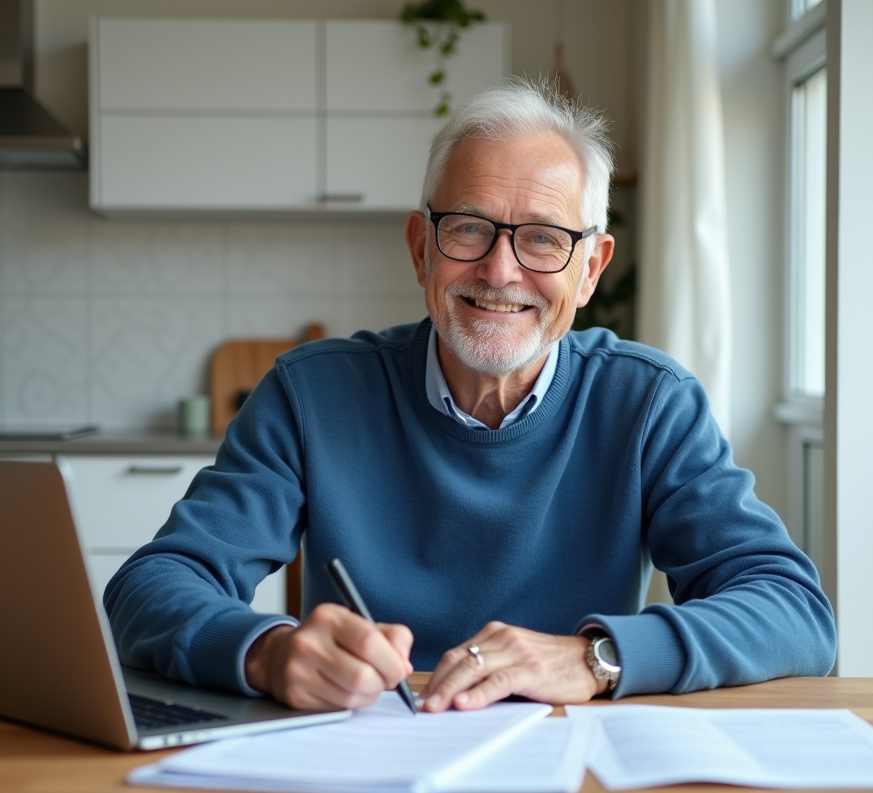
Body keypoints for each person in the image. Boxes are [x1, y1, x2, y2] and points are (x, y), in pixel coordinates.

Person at [105, 78, 836, 714]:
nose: (500, 270)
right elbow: (151, 585)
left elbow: (794, 612)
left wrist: (595, 659)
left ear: (590, 269)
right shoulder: (310, 393)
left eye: (544, 239)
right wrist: (265, 650)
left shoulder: (650, 404)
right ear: (422, 247)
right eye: (468, 230)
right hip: (363, 763)